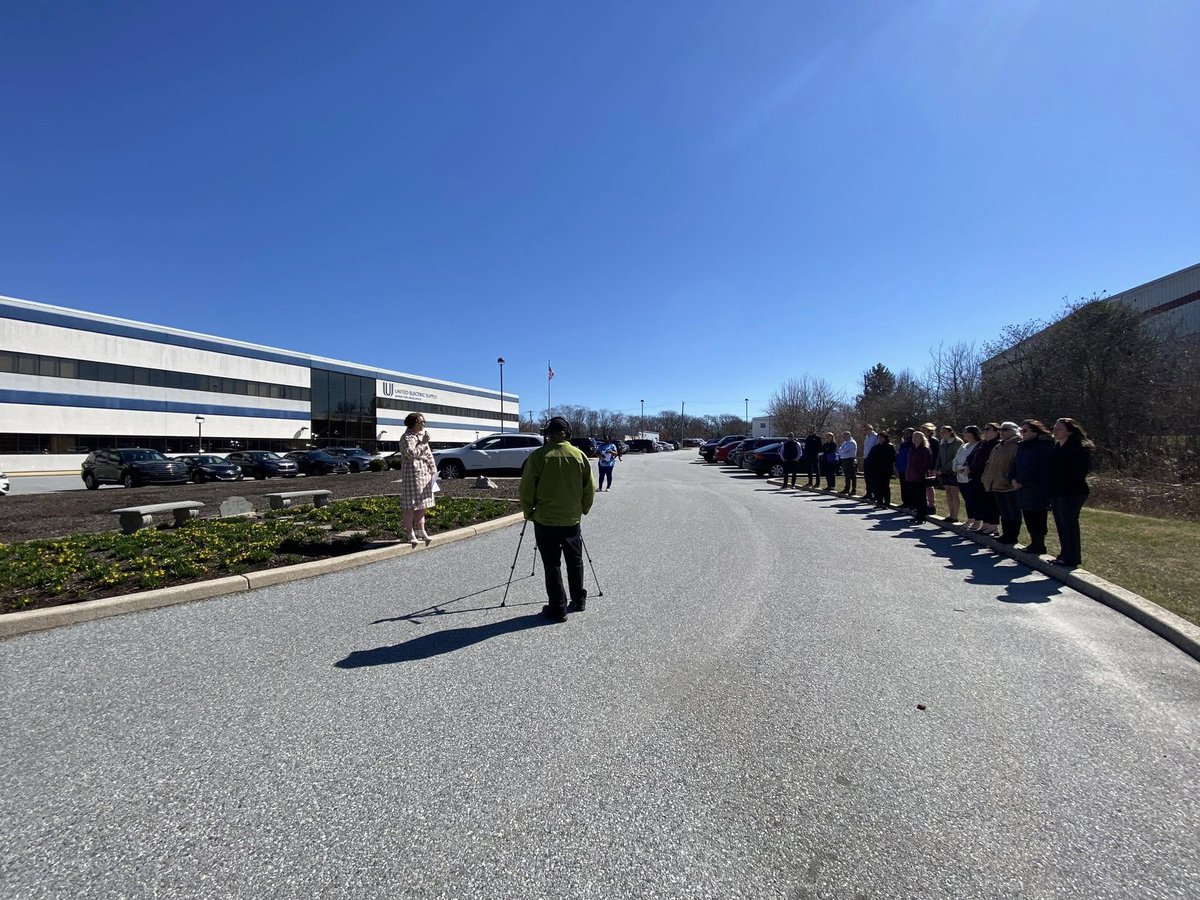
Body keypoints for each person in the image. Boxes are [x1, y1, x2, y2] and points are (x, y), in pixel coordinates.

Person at [519, 416, 596, 623]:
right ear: (567, 433)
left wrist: (529, 512)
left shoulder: (538, 456)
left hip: (545, 520)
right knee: (575, 561)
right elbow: (590, 488)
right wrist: (583, 509)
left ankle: (558, 607)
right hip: (571, 519)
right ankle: (578, 599)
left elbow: (526, 488)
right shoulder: (579, 455)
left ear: (548, 434)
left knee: (552, 564)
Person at [1049, 417, 1094, 567]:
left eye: (1059, 429)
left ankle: (1072, 558)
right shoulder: (1057, 446)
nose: (1055, 431)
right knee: (1061, 524)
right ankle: (1064, 555)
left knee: (1069, 524)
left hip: (1073, 491)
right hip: (1057, 491)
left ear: (1069, 431)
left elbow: (1078, 472)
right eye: (1054, 428)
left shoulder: (1079, 447)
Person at [1009, 419, 1054, 555]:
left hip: (1036, 487)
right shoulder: (1022, 446)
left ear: (1035, 432)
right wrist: (1012, 478)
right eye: (1020, 431)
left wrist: (1021, 480)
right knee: (1028, 514)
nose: (1021, 433)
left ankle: (1039, 544)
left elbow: (1037, 467)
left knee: (1038, 515)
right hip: (1021, 487)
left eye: (1024, 430)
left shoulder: (1043, 446)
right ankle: (1033, 543)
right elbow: (1014, 464)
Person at [398, 412, 437, 547]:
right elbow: (410, 454)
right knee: (410, 505)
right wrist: (423, 443)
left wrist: (433, 470)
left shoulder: (420, 436)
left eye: (424, 422)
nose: (423, 425)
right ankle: (409, 532)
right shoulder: (406, 437)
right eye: (421, 422)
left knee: (422, 504)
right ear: (413, 424)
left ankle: (421, 530)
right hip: (412, 474)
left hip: (424, 473)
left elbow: (428, 454)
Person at [983, 421, 1022, 545]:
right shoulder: (998, 445)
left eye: (1005, 429)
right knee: (1004, 512)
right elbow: (989, 463)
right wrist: (985, 476)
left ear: (1014, 430)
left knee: (1013, 512)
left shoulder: (1017, 445)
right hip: (996, 484)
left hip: (1009, 485)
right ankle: (1006, 535)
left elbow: (1017, 464)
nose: (1001, 432)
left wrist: (1012, 478)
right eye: (1000, 429)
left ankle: (1012, 536)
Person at [969, 423, 1001, 535]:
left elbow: (989, 461)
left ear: (997, 431)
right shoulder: (982, 443)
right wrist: (968, 465)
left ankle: (993, 526)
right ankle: (985, 524)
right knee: (981, 501)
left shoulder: (997, 444)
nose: (986, 431)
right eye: (984, 429)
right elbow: (972, 456)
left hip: (988, 476)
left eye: (989, 429)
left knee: (990, 501)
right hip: (977, 476)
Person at [905, 430, 935, 523]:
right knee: (915, 496)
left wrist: (920, 473)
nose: (915, 439)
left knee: (921, 497)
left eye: (917, 437)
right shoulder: (912, 449)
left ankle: (922, 515)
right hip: (911, 476)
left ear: (922, 438)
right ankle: (917, 514)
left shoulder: (925, 449)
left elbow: (926, 463)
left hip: (920, 477)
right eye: (913, 437)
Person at [956, 426, 982, 529]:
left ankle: (977, 520)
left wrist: (963, 468)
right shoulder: (963, 446)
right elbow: (957, 458)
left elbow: (973, 460)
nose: (965, 434)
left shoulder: (978, 445)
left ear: (973, 433)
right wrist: (956, 467)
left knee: (974, 499)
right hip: (960, 476)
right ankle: (970, 518)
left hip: (970, 476)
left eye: (967, 432)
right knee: (967, 499)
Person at [937, 425, 965, 523]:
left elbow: (956, 458)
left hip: (953, 471)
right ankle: (951, 514)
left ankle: (955, 516)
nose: (942, 434)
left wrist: (944, 469)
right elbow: (939, 456)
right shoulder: (942, 443)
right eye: (941, 432)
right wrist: (937, 468)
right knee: (948, 492)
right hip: (944, 472)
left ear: (950, 432)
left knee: (954, 492)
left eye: (944, 431)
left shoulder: (957, 442)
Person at [863, 431, 896, 508]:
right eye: (878, 438)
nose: (880, 439)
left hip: (885, 470)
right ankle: (879, 501)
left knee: (885, 486)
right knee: (876, 486)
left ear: (885, 438)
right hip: (875, 470)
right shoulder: (875, 448)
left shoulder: (889, 447)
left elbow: (892, 458)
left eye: (881, 438)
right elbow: (869, 458)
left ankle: (886, 502)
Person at [921, 423, 940, 515]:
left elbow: (935, 456)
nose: (922, 432)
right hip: (922, 467)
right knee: (922, 487)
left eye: (924, 430)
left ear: (929, 431)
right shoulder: (922, 441)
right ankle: (923, 504)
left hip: (930, 467)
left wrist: (932, 467)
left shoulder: (934, 441)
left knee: (929, 486)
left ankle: (931, 505)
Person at [895, 427, 915, 511]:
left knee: (910, 487)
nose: (906, 435)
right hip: (901, 468)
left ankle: (912, 503)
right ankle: (905, 502)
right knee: (903, 486)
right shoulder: (903, 444)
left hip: (909, 469)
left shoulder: (913, 444)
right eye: (905, 433)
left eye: (908, 433)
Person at [837, 431, 859, 495]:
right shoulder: (845, 442)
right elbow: (840, 450)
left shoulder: (852, 442)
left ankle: (853, 489)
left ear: (848, 436)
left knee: (852, 475)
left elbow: (844, 450)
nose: (843, 438)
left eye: (844, 436)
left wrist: (842, 450)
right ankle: (846, 489)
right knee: (846, 475)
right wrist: (842, 450)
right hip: (844, 460)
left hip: (850, 460)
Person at [862, 424, 879, 502]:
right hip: (866, 458)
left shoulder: (875, 436)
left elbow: (876, 447)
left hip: (873, 459)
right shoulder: (867, 437)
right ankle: (868, 493)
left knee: (872, 477)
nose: (864, 431)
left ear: (870, 429)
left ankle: (874, 494)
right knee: (867, 477)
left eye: (866, 430)